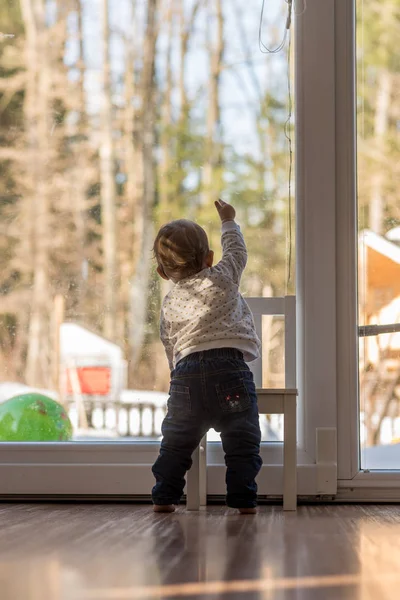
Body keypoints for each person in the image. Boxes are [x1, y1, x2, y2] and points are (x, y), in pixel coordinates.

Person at [151, 199, 263, 514]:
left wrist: (177, 376)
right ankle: (244, 501)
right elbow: (238, 252)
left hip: (186, 377)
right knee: (242, 441)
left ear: (162, 272)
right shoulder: (224, 275)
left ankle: (164, 496)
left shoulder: (171, 301)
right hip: (230, 373)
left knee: (175, 444)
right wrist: (228, 220)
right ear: (209, 258)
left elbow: (168, 341)